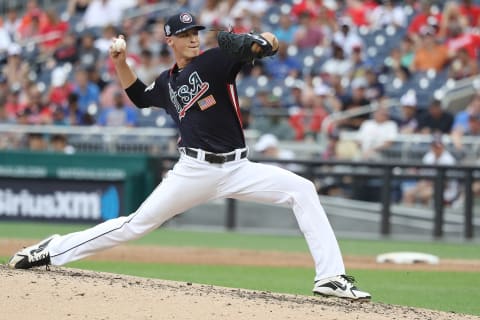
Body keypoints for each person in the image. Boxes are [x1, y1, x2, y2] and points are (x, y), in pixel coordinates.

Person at [8, 12, 370, 301]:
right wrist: (120, 60)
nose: (193, 37)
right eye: (185, 34)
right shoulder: (167, 83)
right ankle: (51, 249)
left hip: (238, 167)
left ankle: (330, 278)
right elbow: (138, 95)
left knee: (302, 189)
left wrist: (261, 42)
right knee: (135, 225)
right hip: (194, 170)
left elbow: (267, 46)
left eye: (196, 31)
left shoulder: (216, 60)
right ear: (170, 41)